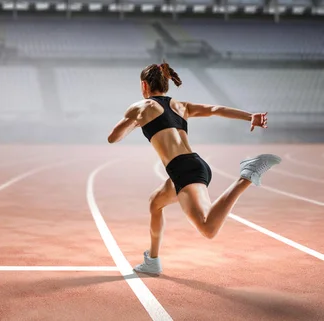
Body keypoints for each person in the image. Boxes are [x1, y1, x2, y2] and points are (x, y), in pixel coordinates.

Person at [107, 61, 281, 275]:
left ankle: (247, 174)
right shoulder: (180, 106)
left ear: (144, 85)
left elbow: (113, 137)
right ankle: (152, 260)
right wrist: (250, 116)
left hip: (184, 171)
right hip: (191, 166)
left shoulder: (140, 108)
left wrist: (133, 122)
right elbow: (216, 110)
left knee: (208, 228)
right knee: (155, 202)